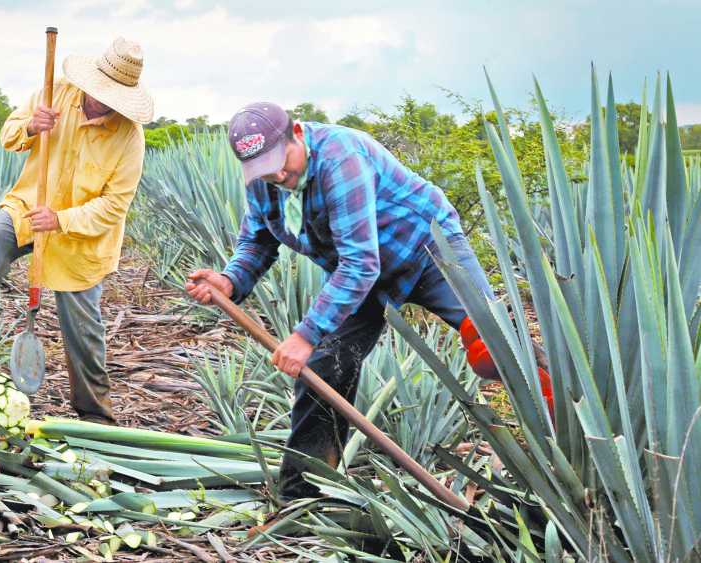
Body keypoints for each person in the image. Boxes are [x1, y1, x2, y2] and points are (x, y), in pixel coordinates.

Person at [184, 102, 550, 516]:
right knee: (325, 367)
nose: (278, 175)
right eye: (264, 169)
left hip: (425, 249)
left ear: (298, 134)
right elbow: (259, 241)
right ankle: (304, 496)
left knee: (496, 342)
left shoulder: (341, 157)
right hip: (359, 273)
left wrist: (304, 334)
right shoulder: (263, 178)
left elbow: (361, 262)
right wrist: (230, 280)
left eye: (280, 161)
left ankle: (573, 441)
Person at [0, 37, 153, 426]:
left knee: (82, 323)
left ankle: (94, 413)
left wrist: (62, 220)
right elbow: (9, 135)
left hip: (80, 235)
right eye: (99, 92)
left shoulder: (129, 138)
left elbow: (114, 207)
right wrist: (33, 125)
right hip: (29, 210)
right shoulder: (53, 94)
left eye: (112, 98)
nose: (101, 102)